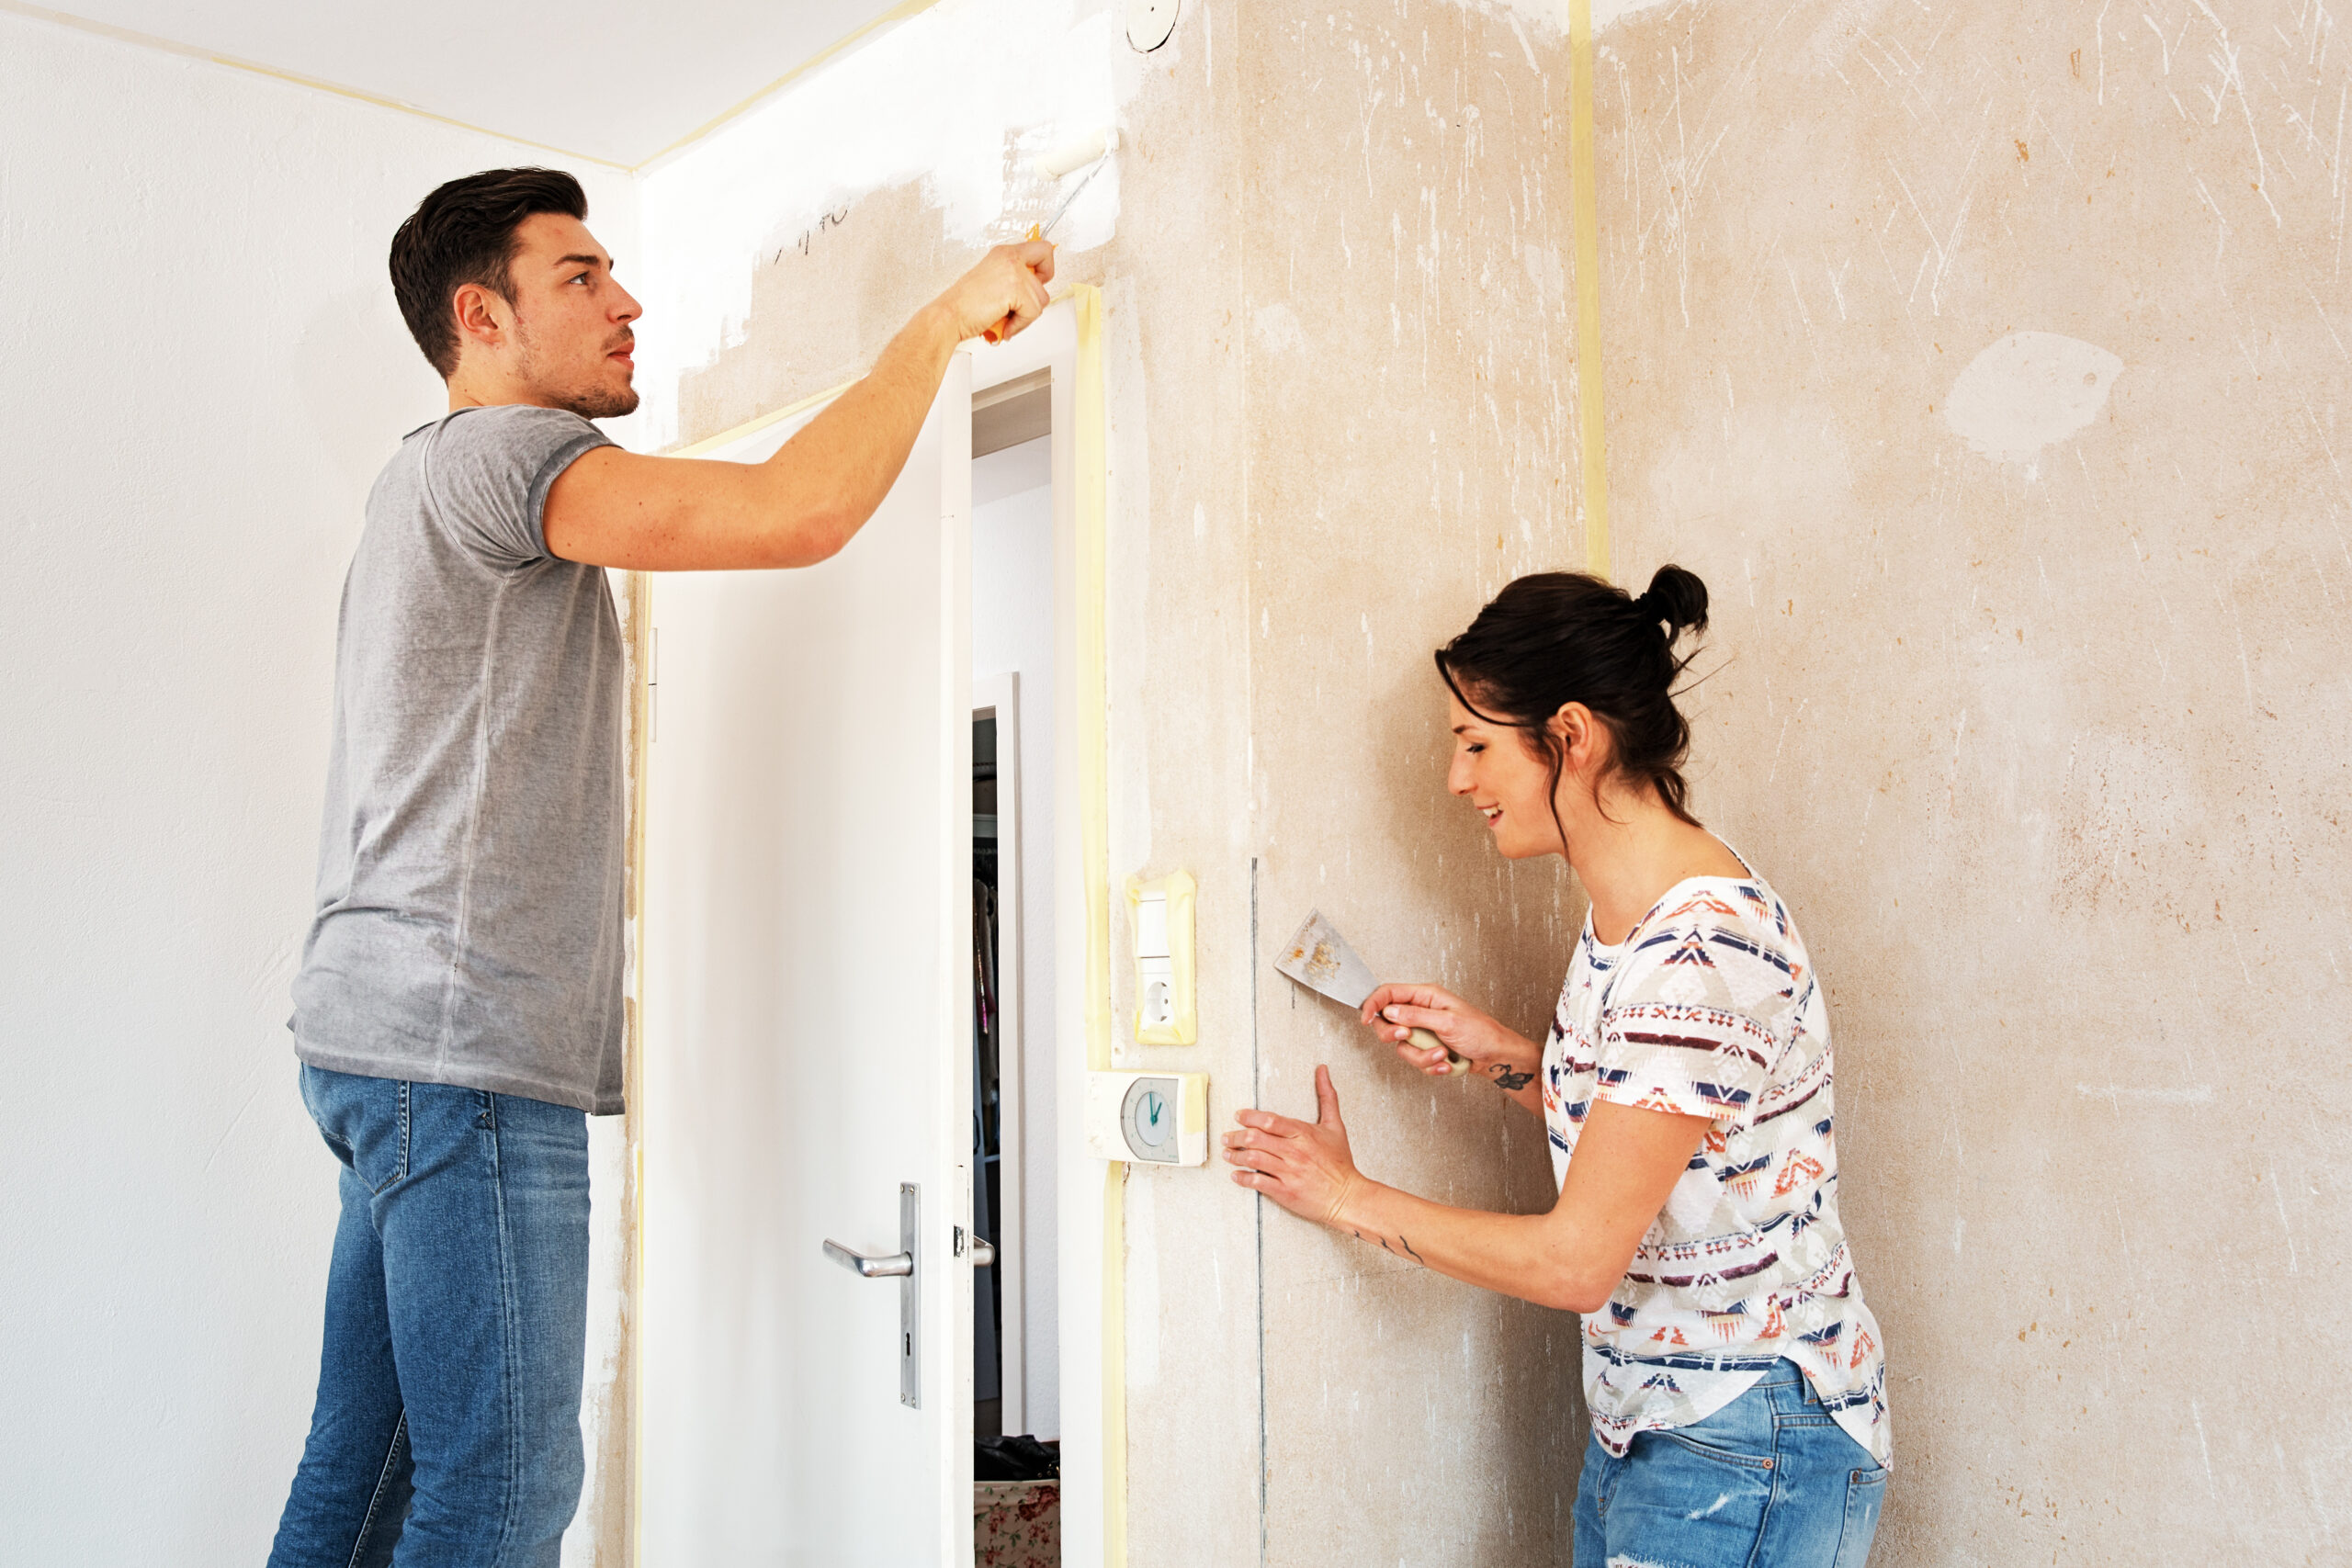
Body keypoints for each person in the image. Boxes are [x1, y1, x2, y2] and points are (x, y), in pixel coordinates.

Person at [269, 166, 1054, 1568]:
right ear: (482, 317)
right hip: (462, 1051)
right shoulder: (505, 456)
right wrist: (938, 323)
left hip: (377, 1044)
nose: (627, 300)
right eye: (582, 277)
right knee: (502, 1493)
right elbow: (794, 511)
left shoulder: (412, 484)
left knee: (370, 1459)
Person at [1223, 568, 1890, 1568]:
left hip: (1742, 1442)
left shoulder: (1696, 948)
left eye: (1475, 743)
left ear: (1571, 738)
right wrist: (1510, 1060)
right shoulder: (1632, 916)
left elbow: (1578, 1261)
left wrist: (1346, 1197)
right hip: (1660, 1423)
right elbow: (1677, 1123)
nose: (1456, 780)